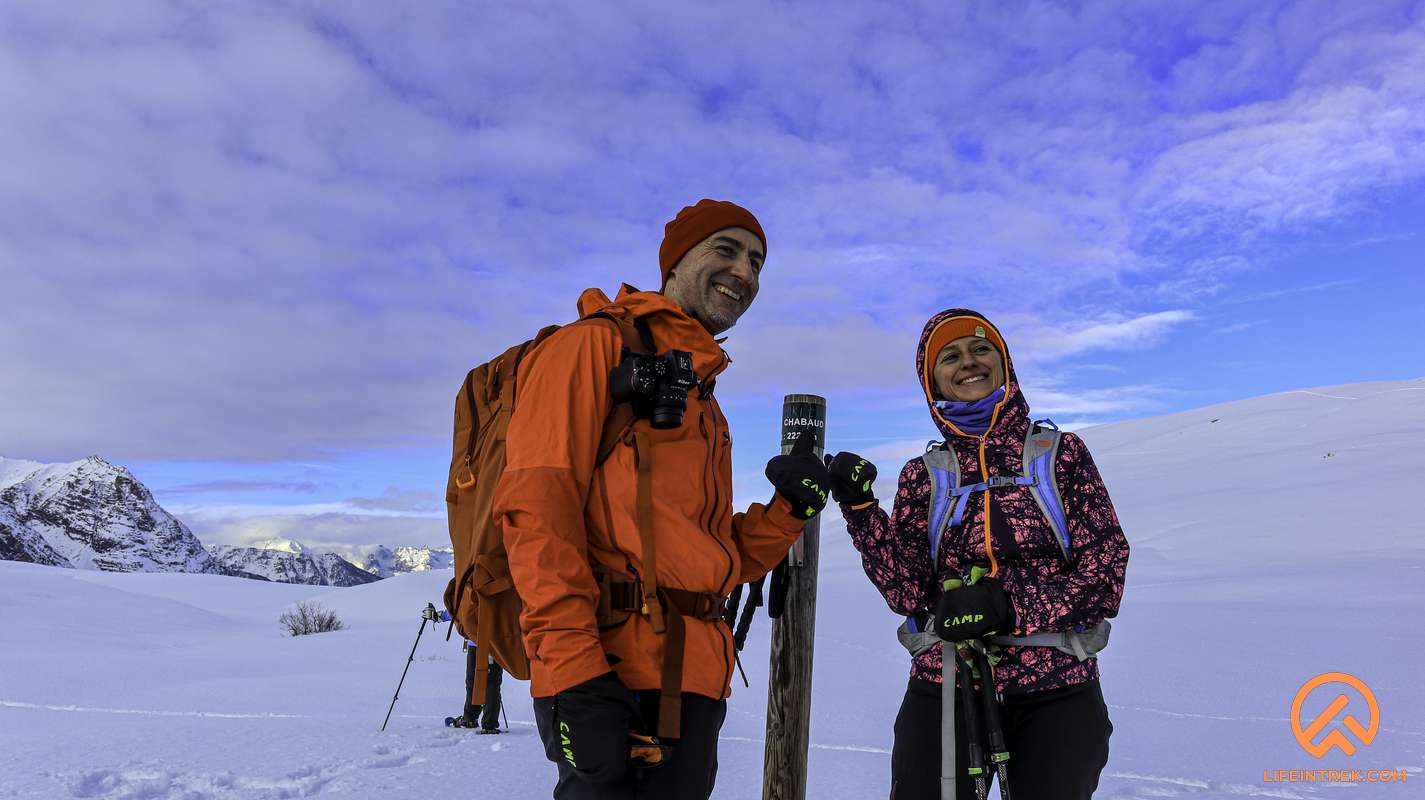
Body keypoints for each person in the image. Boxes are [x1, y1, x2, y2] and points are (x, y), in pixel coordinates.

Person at [492, 199, 830, 799]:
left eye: (756, 261)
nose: (744, 273)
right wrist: (574, 674)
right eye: (724, 250)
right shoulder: (590, 349)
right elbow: (536, 515)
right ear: (673, 265)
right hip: (611, 673)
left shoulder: (701, 397)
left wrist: (788, 511)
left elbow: (708, 560)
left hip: (693, 680)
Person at [826, 309, 1129, 800]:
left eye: (981, 348)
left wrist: (1006, 604)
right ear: (933, 381)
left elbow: (1105, 574)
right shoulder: (923, 474)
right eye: (950, 356)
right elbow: (906, 589)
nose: (968, 362)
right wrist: (861, 510)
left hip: (1056, 687)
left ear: (1004, 362)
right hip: (944, 686)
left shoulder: (1059, 454)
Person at [424, 604, 504, 733]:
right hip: (492, 641)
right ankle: (484, 722)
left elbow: (464, 608)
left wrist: (440, 616)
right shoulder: (501, 586)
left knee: (480, 682)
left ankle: (473, 720)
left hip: (479, 640)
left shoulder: (472, 585)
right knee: (487, 682)